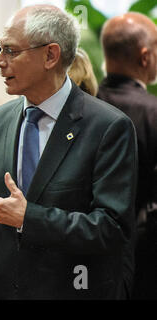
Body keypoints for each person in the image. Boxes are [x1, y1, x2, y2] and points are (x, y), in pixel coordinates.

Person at [0, 5, 137, 299]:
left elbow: (110, 228)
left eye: (10, 51)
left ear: (50, 55)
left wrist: (29, 218)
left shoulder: (109, 127)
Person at [97, 12, 157, 299]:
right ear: (145, 57)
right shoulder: (153, 112)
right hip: (145, 259)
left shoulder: (82, 109)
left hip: (86, 256)